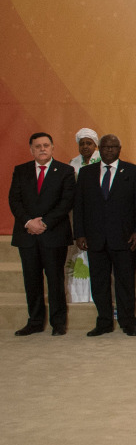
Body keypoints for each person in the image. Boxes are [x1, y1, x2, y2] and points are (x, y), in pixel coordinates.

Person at [73, 134, 136, 336]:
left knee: (125, 282)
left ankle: (128, 321)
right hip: (95, 238)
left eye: (113, 147)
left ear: (119, 149)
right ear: (99, 149)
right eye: (105, 147)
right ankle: (103, 321)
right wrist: (80, 233)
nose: (109, 150)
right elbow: (79, 206)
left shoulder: (133, 171)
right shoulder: (86, 173)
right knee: (99, 282)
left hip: (124, 238)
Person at [10, 132, 76, 336]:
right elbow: (15, 200)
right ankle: (35, 321)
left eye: (46, 145)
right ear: (31, 149)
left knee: (55, 279)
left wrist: (44, 223)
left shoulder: (65, 171)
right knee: (32, 279)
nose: (42, 149)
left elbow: (66, 202)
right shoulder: (21, 171)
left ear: (53, 147)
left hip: (53, 234)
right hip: (27, 234)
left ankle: (58, 323)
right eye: (37, 146)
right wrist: (29, 222)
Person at [66, 127, 100, 304]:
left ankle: (98, 295)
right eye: (82, 143)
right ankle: (80, 295)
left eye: (89, 143)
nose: (85, 146)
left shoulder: (103, 161)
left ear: (96, 145)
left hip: (98, 217)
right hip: (78, 214)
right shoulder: (73, 163)